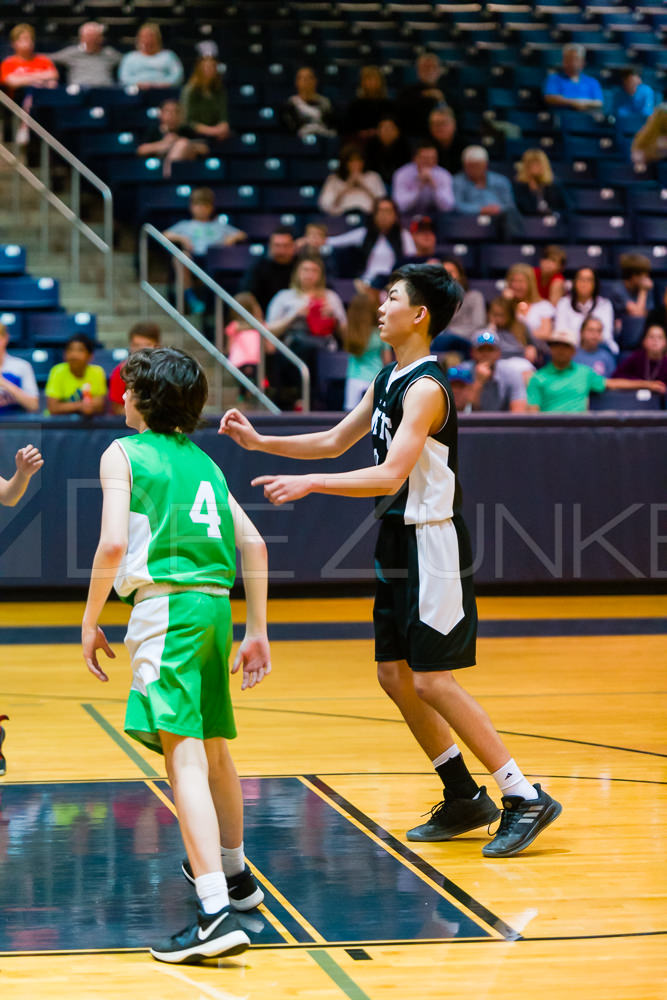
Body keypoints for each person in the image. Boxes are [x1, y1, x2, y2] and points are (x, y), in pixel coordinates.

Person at [220, 263, 563, 858]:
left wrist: (309, 486)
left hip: (433, 540)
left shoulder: (428, 388)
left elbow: (389, 472)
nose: (380, 308)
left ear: (420, 314)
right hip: (397, 540)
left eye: (392, 299)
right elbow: (334, 439)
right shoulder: (388, 376)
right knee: (393, 675)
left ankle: (523, 793)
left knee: (432, 678)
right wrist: (260, 442)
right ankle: (462, 796)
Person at [81, 346, 271, 963]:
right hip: (217, 611)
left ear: (142, 398)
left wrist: (89, 620)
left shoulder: (123, 453)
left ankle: (214, 912)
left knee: (182, 758)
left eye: (128, 387)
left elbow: (112, 545)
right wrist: (258, 630)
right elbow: (256, 544)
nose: (122, 396)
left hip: (169, 613)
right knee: (215, 749)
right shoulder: (207, 464)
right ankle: (237, 878)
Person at [265, 254, 347, 409]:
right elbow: (269, 330)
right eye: (305, 270)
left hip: (324, 344)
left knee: (315, 352)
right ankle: (304, 399)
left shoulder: (331, 297)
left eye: (314, 271)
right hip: (292, 347)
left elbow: (347, 335)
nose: (309, 274)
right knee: (301, 348)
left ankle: (308, 400)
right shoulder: (284, 296)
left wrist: (334, 317)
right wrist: (293, 316)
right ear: (297, 272)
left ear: (320, 275)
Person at [527, 328, 665, 412]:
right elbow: (532, 417)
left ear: (573, 351)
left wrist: (648, 384)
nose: (560, 350)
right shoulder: (538, 378)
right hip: (549, 434)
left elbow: (613, 383)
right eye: (556, 345)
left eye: (565, 346)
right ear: (550, 349)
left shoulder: (584, 373)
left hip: (579, 432)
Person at [163, 187, 246, 314]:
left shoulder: (219, 226)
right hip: (194, 258)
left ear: (211, 208)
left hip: (215, 258)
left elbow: (241, 234)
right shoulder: (185, 225)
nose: (201, 209)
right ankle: (192, 300)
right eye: (197, 205)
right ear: (191, 207)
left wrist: (230, 239)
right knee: (180, 257)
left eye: (205, 205)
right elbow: (164, 235)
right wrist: (181, 238)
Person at [326, 197, 416, 284]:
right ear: (374, 214)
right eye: (380, 211)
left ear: (395, 215)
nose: (384, 215)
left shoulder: (403, 235)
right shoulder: (364, 233)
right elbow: (339, 241)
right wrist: (320, 240)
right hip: (367, 282)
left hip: (394, 282)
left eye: (388, 211)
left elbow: (412, 260)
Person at [452, 146, 520, 236]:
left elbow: (510, 205)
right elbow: (455, 205)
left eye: (477, 165)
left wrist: (497, 209)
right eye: (471, 166)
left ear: (485, 165)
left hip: (499, 219)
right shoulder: (457, 182)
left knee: (510, 218)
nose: (474, 169)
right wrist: (480, 210)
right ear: (464, 165)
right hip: (470, 221)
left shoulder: (501, 181)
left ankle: (512, 245)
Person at [342, 292, 392, 410]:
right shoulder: (381, 332)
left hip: (354, 379)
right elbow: (387, 360)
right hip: (375, 379)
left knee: (350, 418)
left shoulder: (348, 331)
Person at [137, 98, 208, 177]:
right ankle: (169, 177)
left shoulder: (186, 130)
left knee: (182, 143)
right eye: (168, 112)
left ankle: (169, 177)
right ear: (161, 114)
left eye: (177, 112)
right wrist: (163, 144)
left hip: (185, 169)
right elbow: (141, 150)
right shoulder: (153, 130)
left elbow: (204, 149)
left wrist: (179, 142)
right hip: (156, 169)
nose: (172, 115)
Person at [554, 266, 616, 353]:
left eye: (589, 280)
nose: (584, 283)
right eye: (581, 279)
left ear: (595, 284)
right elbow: (561, 332)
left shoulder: (605, 304)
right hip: (571, 350)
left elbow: (605, 335)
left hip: (598, 349)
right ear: (574, 283)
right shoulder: (564, 303)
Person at [45, 334, 107, 416]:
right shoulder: (57, 371)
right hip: (58, 423)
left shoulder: (98, 372)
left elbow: (100, 404)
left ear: (90, 356)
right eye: (70, 350)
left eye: (80, 350)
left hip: (88, 424)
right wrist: (80, 406)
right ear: (64, 354)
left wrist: (68, 406)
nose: (74, 354)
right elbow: (53, 408)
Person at [108, 321, 161, 415]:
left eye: (147, 345)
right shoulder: (120, 372)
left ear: (157, 346)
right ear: (130, 346)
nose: (141, 350)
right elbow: (117, 409)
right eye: (136, 345)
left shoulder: (167, 371)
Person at [468, 331, 529, 413]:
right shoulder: (464, 372)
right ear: (473, 353)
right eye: (481, 349)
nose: (486, 354)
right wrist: (479, 382)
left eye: (490, 349)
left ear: (498, 353)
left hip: (504, 424)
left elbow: (519, 411)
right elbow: (464, 411)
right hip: (472, 424)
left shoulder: (511, 373)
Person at [392, 142, 455, 220]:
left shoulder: (444, 175)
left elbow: (448, 207)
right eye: (425, 158)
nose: (429, 161)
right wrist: (419, 187)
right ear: (415, 158)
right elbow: (401, 206)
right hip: (408, 217)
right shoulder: (402, 174)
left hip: (436, 218)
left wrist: (434, 185)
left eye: (433, 158)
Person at [318, 145, 386, 217]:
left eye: (359, 160)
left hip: (369, 217)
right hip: (341, 218)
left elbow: (383, 203)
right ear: (345, 163)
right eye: (352, 161)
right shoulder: (333, 179)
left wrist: (363, 186)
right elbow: (325, 205)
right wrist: (347, 186)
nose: (356, 164)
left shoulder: (373, 176)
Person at [240, 227, 297, 313]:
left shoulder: (302, 266)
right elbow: (247, 295)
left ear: (293, 246)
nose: (281, 251)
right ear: (270, 246)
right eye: (277, 245)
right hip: (264, 319)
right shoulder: (258, 268)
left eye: (286, 246)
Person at [50, 21, 121, 87]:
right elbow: (47, 57)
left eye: (95, 37)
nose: (92, 40)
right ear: (82, 38)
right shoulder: (71, 52)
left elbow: (128, 59)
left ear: (101, 38)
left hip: (104, 91)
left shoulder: (110, 53)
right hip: (79, 92)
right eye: (89, 37)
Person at [181, 55, 230, 145]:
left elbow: (223, 116)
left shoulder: (220, 90)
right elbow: (188, 122)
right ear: (199, 69)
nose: (210, 70)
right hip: (192, 135)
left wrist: (223, 126)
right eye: (207, 67)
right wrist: (212, 131)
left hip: (217, 133)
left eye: (213, 67)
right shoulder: (190, 90)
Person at [118, 22, 184, 89]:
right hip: (136, 93)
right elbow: (124, 78)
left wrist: (160, 85)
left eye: (151, 36)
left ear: (158, 38)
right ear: (138, 39)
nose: (147, 40)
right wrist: (139, 84)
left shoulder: (168, 56)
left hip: (164, 91)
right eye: (144, 37)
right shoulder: (130, 57)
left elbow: (178, 76)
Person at [397, 53, 449, 137]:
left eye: (433, 67)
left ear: (439, 71)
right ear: (418, 71)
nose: (430, 70)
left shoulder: (447, 92)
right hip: (415, 137)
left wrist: (441, 100)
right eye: (426, 67)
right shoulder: (406, 92)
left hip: (441, 138)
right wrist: (425, 97)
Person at [543, 44, 603, 113]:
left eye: (576, 59)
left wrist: (582, 103)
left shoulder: (592, 82)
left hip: (585, 118)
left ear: (583, 62)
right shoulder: (553, 79)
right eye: (569, 59)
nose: (572, 63)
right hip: (561, 119)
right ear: (563, 61)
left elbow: (598, 102)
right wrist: (575, 103)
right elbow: (550, 98)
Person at [342, 65, 394, 144]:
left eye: (375, 79)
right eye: (368, 79)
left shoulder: (388, 105)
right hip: (359, 141)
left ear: (381, 82)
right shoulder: (355, 105)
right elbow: (349, 127)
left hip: (382, 141)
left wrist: (378, 132)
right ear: (362, 82)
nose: (372, 82)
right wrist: (363, 133)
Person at [504, 263, 555, 342]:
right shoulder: (505, 304)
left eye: (521, 281)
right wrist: (506, 302)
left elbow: (545, 334)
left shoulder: (543, 306)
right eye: (513, 281)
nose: (516, 286)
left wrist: (520, 334)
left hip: (536, 350)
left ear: (530, 283)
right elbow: (496, 330)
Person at [225, 292, 263, 400]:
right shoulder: (235, 326)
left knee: (253, 373)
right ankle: (244, 393)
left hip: (254, 359)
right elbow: (229, 345)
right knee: (246, 374)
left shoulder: (258, 326)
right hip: (240, 359)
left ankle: (250, 392)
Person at [0, 23, 58, 93]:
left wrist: (23, 78)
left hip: (42, 99)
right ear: (14, 43)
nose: (29, 42)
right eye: (25, 39)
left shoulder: (43, 59)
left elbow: (53, 76)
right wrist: (38, 79)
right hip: (15, 101)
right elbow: (12, 82)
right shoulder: (8, 62)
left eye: (31, 39)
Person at [281, 66, 336, 139]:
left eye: (309, 78)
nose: (306, 81)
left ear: (315, 81)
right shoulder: (290, 104)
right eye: (302, 78)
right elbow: (292, 129)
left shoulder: (326, 102)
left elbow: (331, 125)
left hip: (324, 138)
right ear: (296, 82)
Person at [512, 149, 569, 217]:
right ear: (526, 167)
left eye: (538, 164)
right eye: (531, 165)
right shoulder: (519, 185)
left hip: (552, 223)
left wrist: (554, 213)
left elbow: (567, 207)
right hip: (528, 222)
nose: (535, 168)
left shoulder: (554, 184)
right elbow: (518, 209)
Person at [440, 259, 486, 342]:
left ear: (460, 275)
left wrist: (450, 334)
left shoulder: (475, 297)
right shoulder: (433, 300)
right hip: (441, 344)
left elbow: (479, 325)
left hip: (467, 342)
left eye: (450, 273)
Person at [0, 321, 39, 414]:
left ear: (6, 338)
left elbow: (33, 406)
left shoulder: (22, 366)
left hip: (15, 425)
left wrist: (4, 383)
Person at [610, 252, 655, 333]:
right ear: (634, 276)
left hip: (640, 329)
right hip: (621, 329)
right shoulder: (618, 289)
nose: (647, 278)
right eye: (645, 275)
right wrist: (643, 291)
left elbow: (646, 314)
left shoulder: (647, 289)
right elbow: (637, 314)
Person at [365, 116, 412, 187]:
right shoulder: (370, 147)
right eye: (384, 128)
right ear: (377, 131)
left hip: (401, 184)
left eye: (391, 128)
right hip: (377, 184)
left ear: (397, 131)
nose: (387, 132)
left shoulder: (406, 147)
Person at [428, 106, 465, 175]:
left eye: (443, 123)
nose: (439, 128)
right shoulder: (424, 148)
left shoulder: (466, 146)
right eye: (434, 124)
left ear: (454, 124)